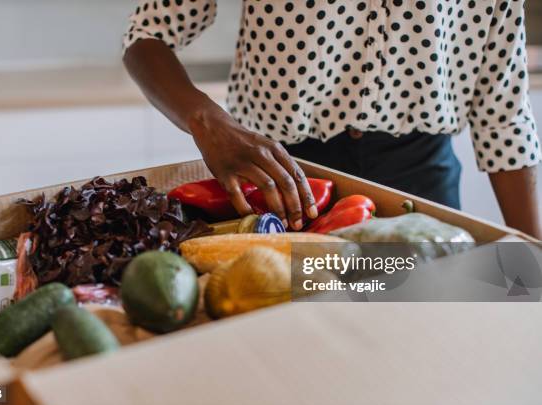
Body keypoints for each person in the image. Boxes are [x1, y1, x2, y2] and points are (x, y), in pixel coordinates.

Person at [122, 0, 541, 238]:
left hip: (420, 186)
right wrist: (207, 121)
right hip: (278, 181)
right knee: (285, 345)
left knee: (415, 345)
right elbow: (148, 32)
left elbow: (502, 111)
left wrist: (531, 260)